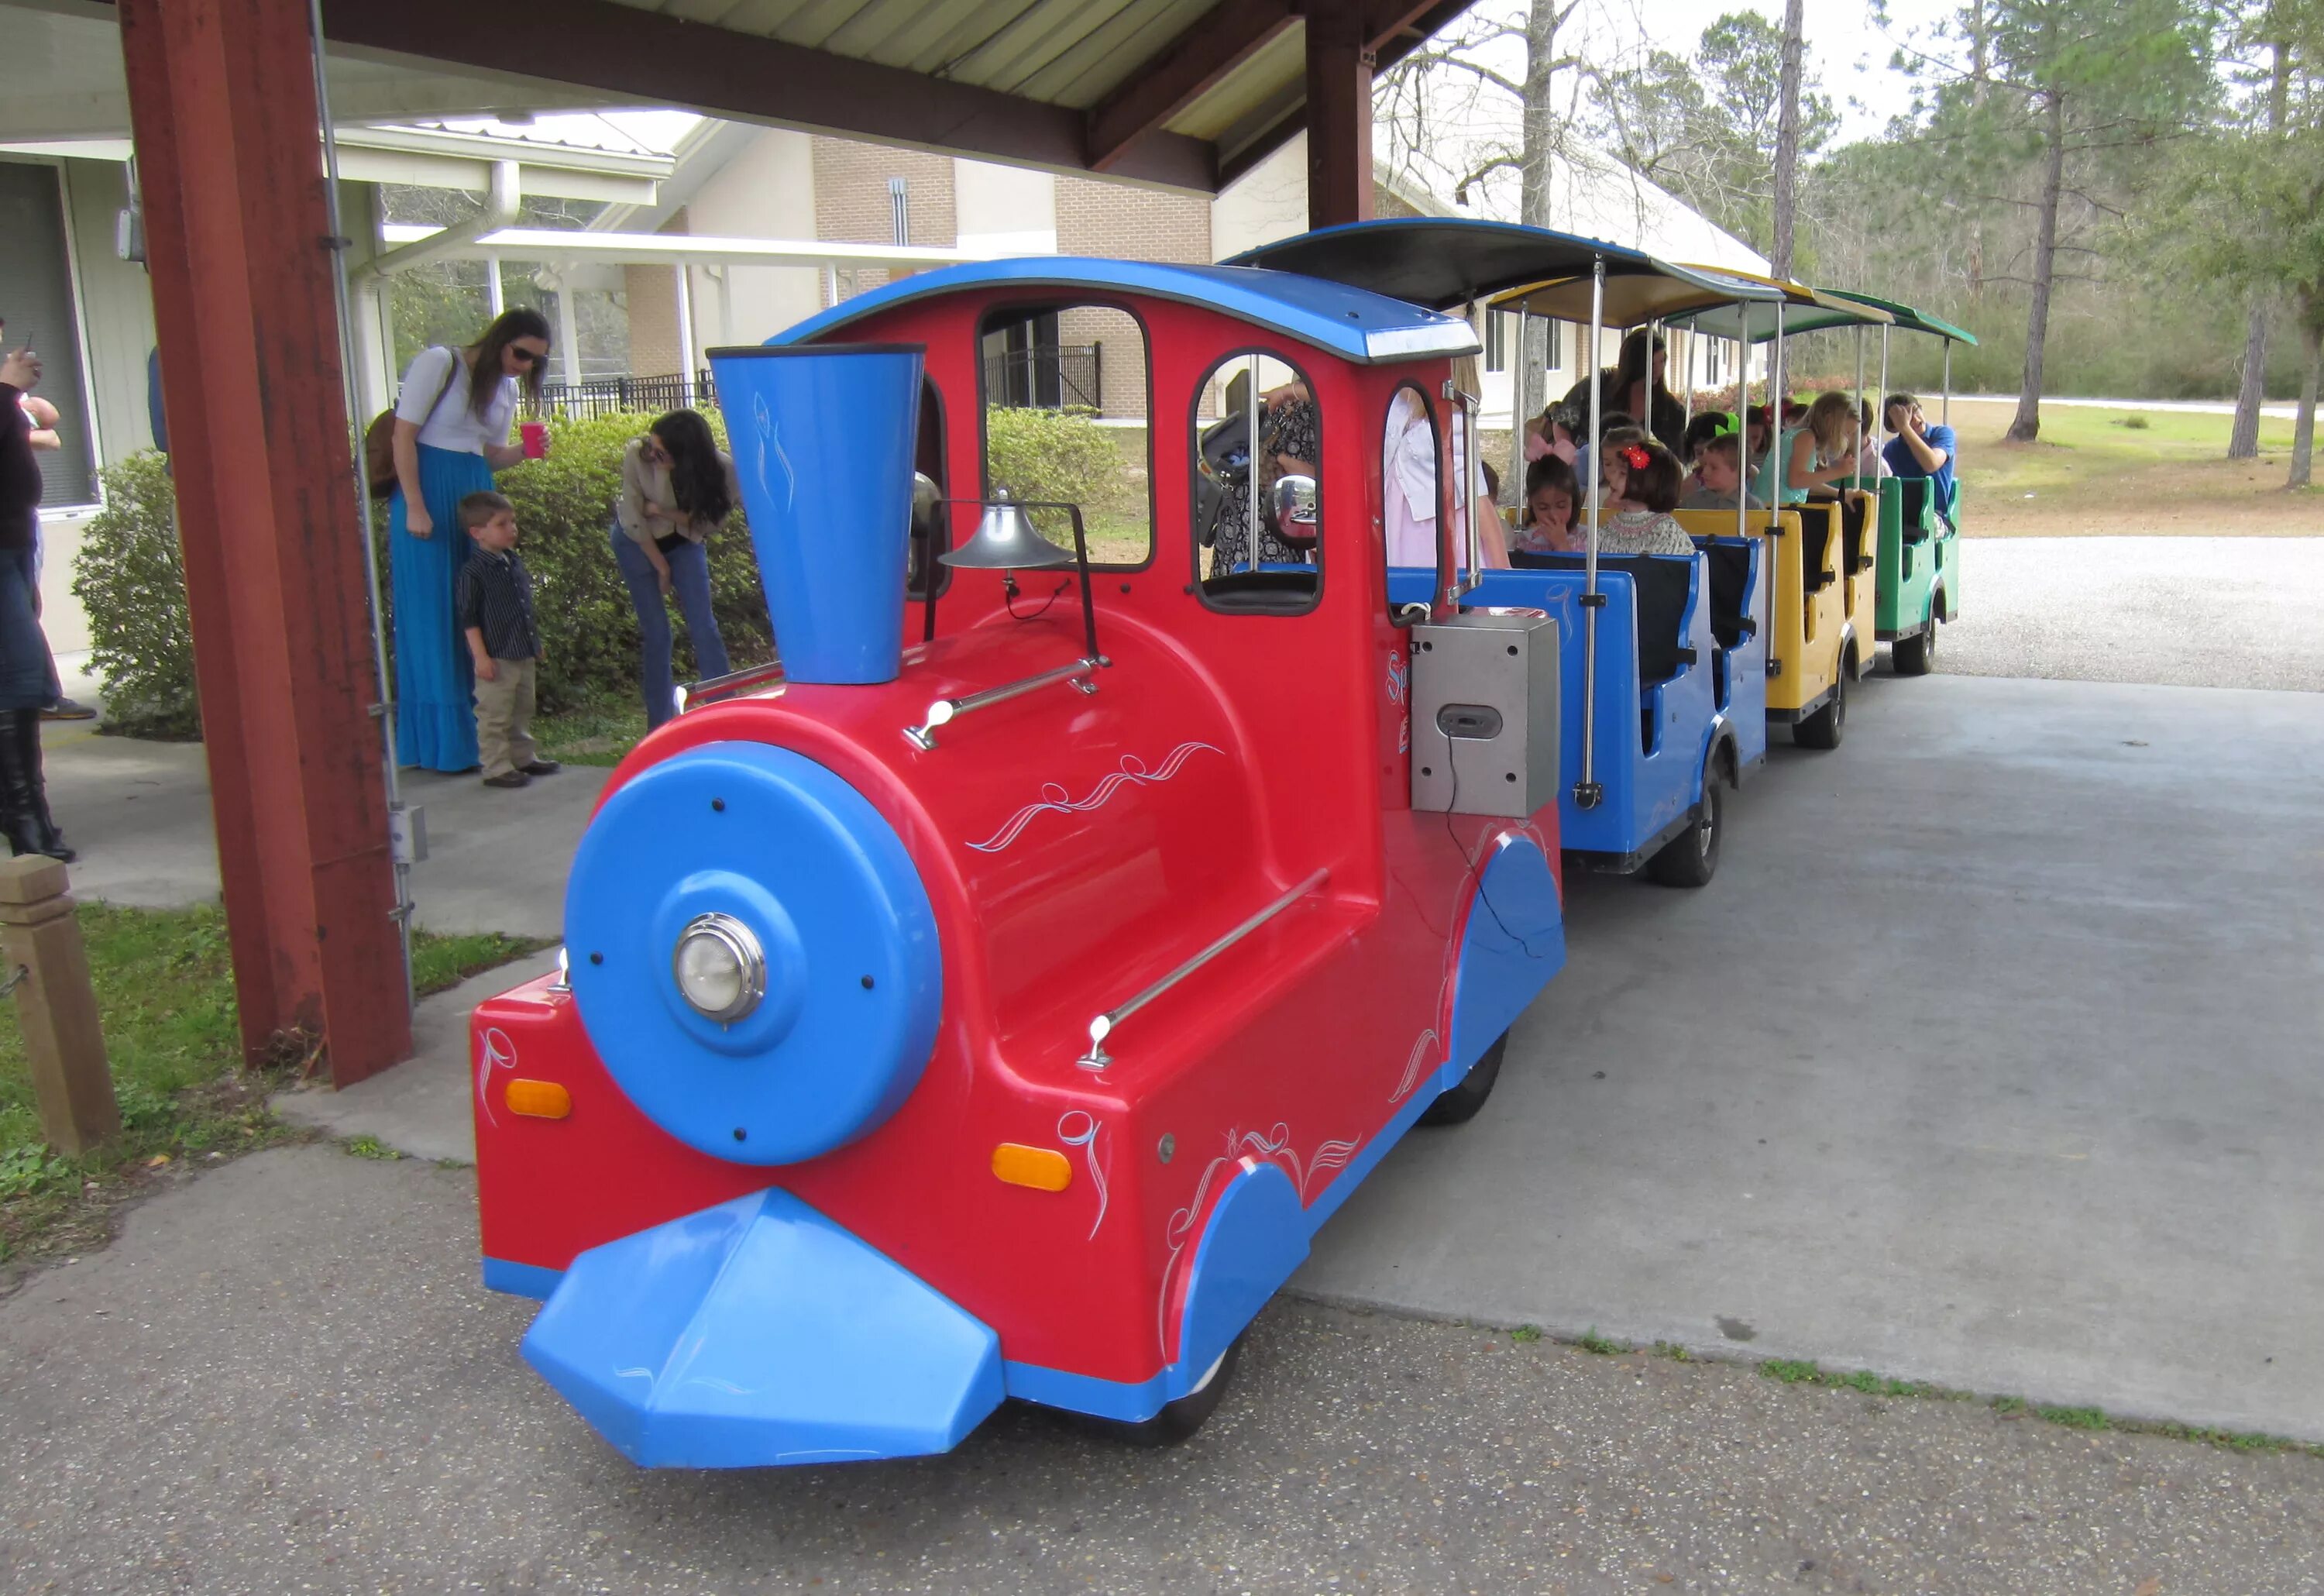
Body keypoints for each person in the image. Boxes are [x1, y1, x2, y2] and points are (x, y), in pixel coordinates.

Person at [387, 308, 552, 773]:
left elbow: (490, 454)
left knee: (481, 610)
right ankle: (443, 744)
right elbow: (404, 436)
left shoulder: (507, 387)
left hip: (474, 493)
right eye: (520, 353)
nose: (524, 365)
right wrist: (416, 505)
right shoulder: (441, 363)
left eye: (535, 361)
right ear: (499, 339)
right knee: (434, 614)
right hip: (428, 491)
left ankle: (492, 744)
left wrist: (525, 452)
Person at [614, 409, 737, 729]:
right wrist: (662, 569)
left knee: (704, 626)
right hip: (638, 545)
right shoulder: (637, 454)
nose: (653, 454)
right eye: (652, 446)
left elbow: (710, 523)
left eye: (662, 452)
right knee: (657, 632)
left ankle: (725, 712)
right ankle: (659, 725)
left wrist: (661, 510)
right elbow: (634, 519)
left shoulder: (721, 469)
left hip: (685, 544)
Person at [0, 340, 70, 860]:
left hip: (14, 541)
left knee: (23, 675)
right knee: (20, 674)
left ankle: (30, 814)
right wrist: (8, 389)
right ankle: (24, 818)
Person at [455, 492, 557, 791]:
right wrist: (481, 657)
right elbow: (468, 618)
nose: (511, 528)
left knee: (523, 707)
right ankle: (496, 767)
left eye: (512, 522)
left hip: (522, 650)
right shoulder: (473, 572)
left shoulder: (512, 562)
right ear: (477, 533)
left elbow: (523, 607)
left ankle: (523, 757)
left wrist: (534, 643)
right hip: (497, 655)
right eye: (501, 524)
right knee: (494, 713)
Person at [1213, 380, 1318, 575]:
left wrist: (1279, 459)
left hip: (1260, 519)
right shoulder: (1303, 406)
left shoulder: (1296, 403)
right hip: (1266, 520)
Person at [1561, 329, 1687, 455]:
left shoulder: (1660, 400)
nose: (1658, 370)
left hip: (1621, 470)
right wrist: (1573, 460)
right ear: (1635, 363)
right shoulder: (1599, 384)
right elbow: (1561, 421)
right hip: (1585, 464)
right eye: (1652, 364)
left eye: (1662, 361)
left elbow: (1682, 447)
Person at [1758, 392, 1866, 507]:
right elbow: (1796, 480)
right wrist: (1838, 472)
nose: (1847, 437)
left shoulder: (1798, 434)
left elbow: (1804, 480)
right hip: (1775, 511)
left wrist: (1838, 493)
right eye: (1846, 432)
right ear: (1829, 420)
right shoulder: (1806, 438)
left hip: (1774, 507)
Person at [1596, 440, 1696, 556]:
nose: (1612, 477)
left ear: (1648, 482)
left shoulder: (1664, 532)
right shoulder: (1609, 528)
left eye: (1622, 473)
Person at [1882, 392, 1958, 519]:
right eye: (1907, 418)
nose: (1916, 420)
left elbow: (1931, 463)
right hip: (1902, 515)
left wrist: (1905, 428)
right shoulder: (1891, 449)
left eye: (1915, 411)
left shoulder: (1942, 434)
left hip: (1936, 516)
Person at [1513, 455, 1580, 554]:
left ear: (1573, 500)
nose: (1553, 515)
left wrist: (1561, 544)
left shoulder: (1586, 539)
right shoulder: (1524, 542)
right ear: (1531, 503)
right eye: (1543, 508)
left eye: (1561, 506)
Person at [1679, 434, 1765, 511]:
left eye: (1714, 468)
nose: (1705, 472)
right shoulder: (1691, 503)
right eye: (1704, 466)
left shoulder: (1753, 507)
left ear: (1737, 471)